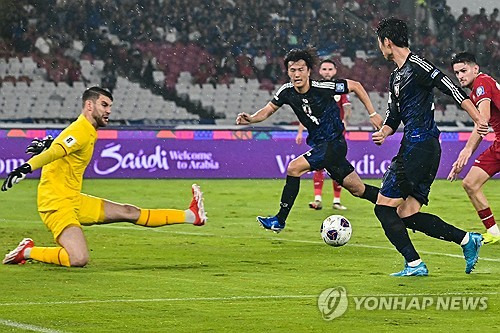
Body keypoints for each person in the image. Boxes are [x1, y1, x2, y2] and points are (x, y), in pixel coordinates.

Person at [2, 87, 207, 267]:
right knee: (78, 258)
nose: (109, 110)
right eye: (104, 105)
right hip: (56, 203)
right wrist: (25, 168)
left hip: (73, 199)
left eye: (110, 106)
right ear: (89, 105)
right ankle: (27, 251)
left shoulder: (86, 129)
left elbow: (60, 146)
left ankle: (191, 216)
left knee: (129, 211)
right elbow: (55, 152)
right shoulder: (81, 130)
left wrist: (48, 145)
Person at [372, 18, 489, 276]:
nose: (380, 47)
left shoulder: (418, 65)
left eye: (380, 42)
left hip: (419, 146)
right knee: (406, 214)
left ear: (387, 42)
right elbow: (394, 117)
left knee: (383, 209)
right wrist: (383, 132)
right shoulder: (395, 77)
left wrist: (479, 119)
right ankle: (467, 240)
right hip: (418, 147)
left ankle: (414, 264)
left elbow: (453, 90)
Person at [236, 48, 383, 233]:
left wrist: (373, 113)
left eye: (300, 69)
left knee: (293, 168)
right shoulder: (286, 91)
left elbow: (356, 85)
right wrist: (250, 119)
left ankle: (279, 220)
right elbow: (267, 110)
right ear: (288, 71)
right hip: (322, 146)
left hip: (334, 144)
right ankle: (394, 203)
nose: (296, 74)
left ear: (308, 71)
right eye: (292, 70)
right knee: (358, 189)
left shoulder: (323, 88)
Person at [448, 52, 500, 245]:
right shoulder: (478, 88)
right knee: (470, 183)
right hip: (498, 145)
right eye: (457, 73)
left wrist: (467, 151)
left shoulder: (481, 83)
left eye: (464, 70)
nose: (460, 76)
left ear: (475, 69)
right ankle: (494, 232)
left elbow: (483, 120)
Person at [296, 59, 352, 211]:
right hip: (319, 134)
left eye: (330, 69)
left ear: (335, 71)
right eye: (324, 69)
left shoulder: (338, 89)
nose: (327, 72)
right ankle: (318, 199)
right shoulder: (313, 89)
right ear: (319, 71)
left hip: (336, 135)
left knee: (337, 166)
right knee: (319, 166)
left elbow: (347, 107)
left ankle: (336, 201)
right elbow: (306, 113)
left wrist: (345, 120)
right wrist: (300, 131)